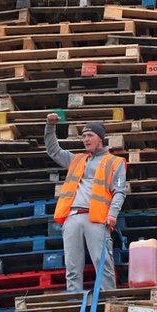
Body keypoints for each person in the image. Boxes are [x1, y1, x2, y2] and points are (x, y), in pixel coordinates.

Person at [45, 114, 127, 292]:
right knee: (72, 268)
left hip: (96, 219)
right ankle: (74, 307)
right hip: (72, 218)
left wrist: (112, 214)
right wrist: (50, 126)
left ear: (100, 138)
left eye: (90, 135)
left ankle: (109, 304)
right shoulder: (77, 160)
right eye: (83, 136)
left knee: (103, 263)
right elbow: (53, 150)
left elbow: (120, 192)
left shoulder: (115, 162)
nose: (86, 139)